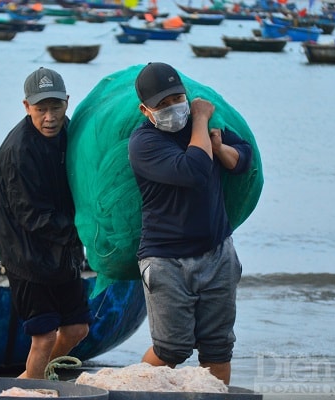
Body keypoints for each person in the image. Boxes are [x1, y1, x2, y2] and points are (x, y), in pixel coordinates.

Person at [127, 62, 253, 384]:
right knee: (171, 349)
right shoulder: (144, 143)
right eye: (163, 105)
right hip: (166, 260)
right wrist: (199, 118)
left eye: (177, 98)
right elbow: (195, 171)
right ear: (146, 110)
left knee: (218, 349)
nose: (173, 108)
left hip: (217, 253)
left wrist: (220, 147)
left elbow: (244, 157)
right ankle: (130, 392)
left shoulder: (207, 128)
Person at [0, 67, 92, 379]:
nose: (49, 117)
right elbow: (30, 214)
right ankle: (32, 389)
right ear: (26, 107)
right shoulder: (18, 149)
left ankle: (29, 381)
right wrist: (85, 231)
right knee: (45, 335)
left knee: (77, 329)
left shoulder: (69, 134)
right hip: (26, 254)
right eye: (40, 109)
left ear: (67, 102)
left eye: (55, 107)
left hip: (61, 251)